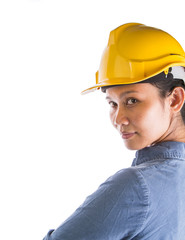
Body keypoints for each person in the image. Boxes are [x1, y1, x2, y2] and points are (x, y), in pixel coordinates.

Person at [43, 23, 185, 239]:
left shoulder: (136, 188)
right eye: (112, 103)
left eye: (132, 100)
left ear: (175, 99)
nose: (118, 118)